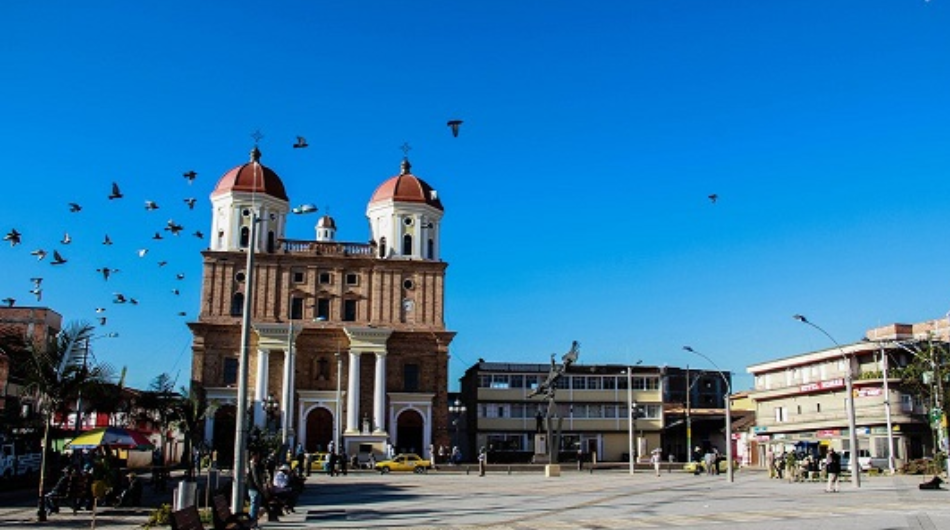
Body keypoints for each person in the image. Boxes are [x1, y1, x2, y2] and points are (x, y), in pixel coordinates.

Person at [246, 451, 266, 525]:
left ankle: (254, 522)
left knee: (256, 506)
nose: (259, 457)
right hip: (254, 488)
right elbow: (255, 479)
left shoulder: (255, 465)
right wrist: (260, 488)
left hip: (255, 488)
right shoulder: (252, 465)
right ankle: (252, 522)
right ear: (254, 456)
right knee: (254, 506)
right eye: (257, 455)